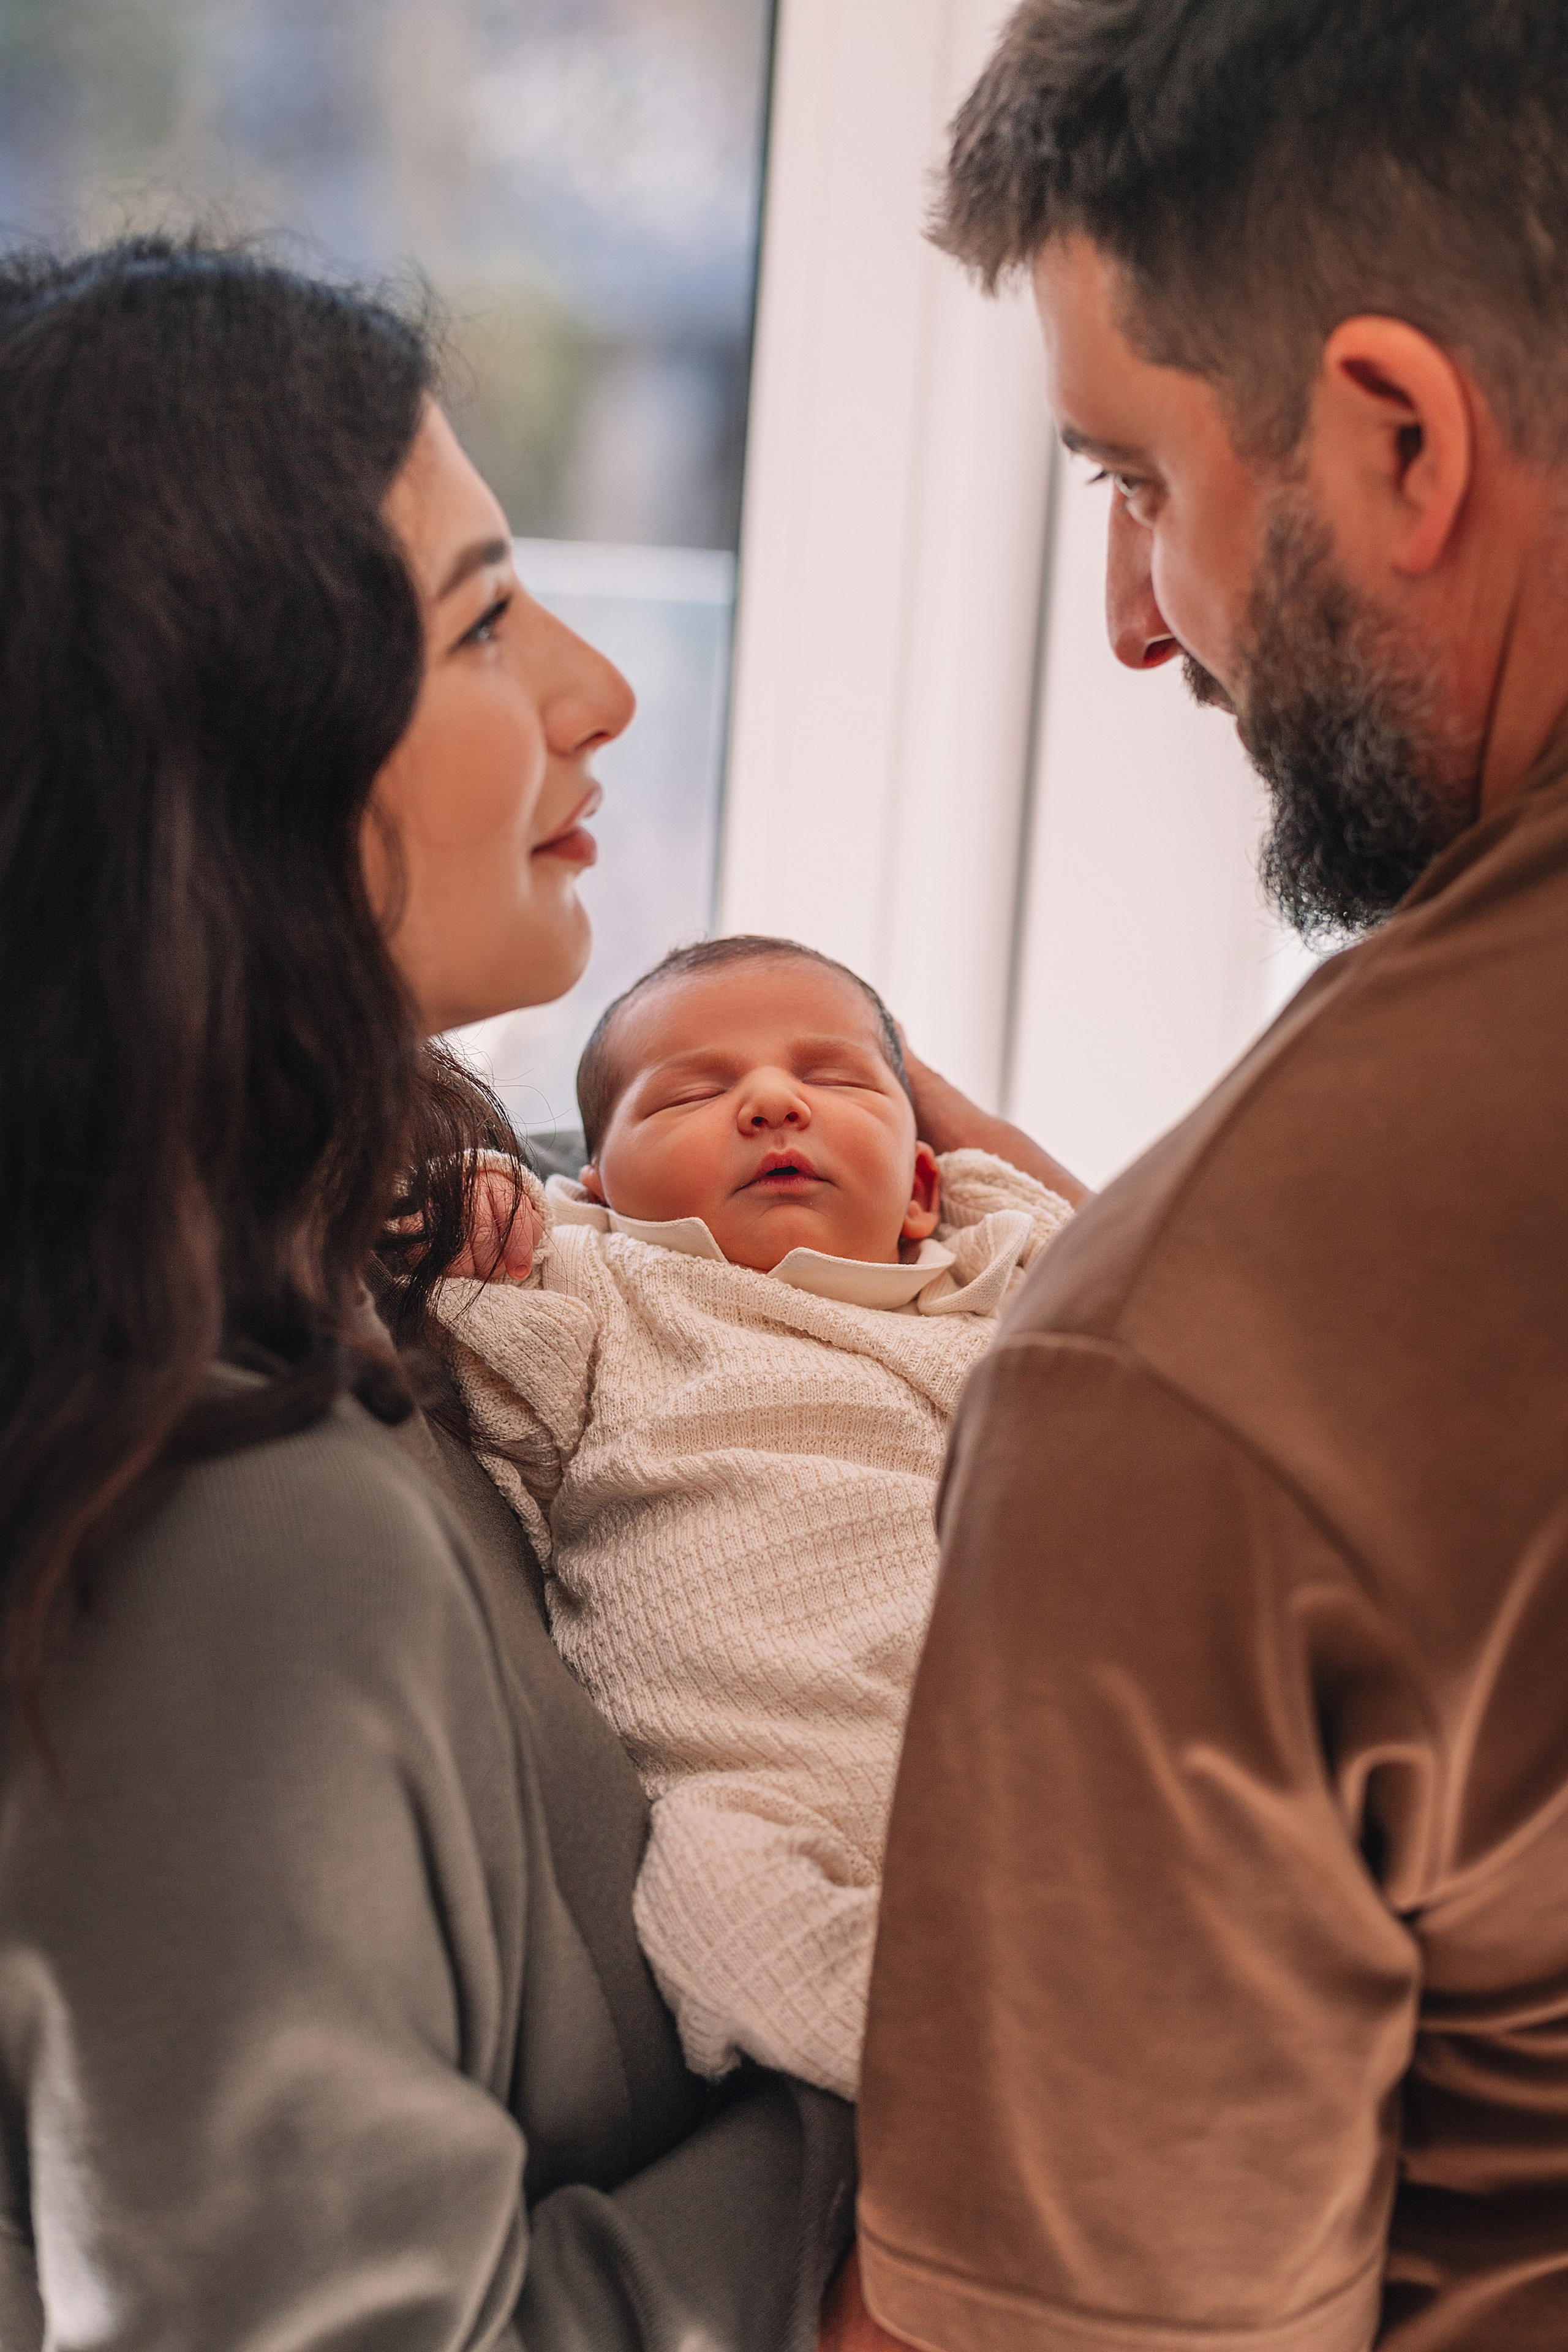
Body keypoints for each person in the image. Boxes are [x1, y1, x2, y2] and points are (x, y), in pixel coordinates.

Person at [0, 237, 856, 2348]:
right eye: (484, 617)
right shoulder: (239, 1525)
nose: (600, 685)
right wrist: (886, 2163)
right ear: (237, 769)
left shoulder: (361, 1284)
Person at [847, 3, 1568, 2349]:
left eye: (1137, 483)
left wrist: (1163, 1364)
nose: (1140, 621)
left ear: (1395, 435)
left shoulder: (1192, 1382)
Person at [434, 934, 1074, 2104]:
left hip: (1052, 1777)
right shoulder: (607, 1287)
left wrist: (968, 1139)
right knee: (715, 1903)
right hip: (778, 1789)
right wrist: (467, 1195)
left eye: (834, 1080)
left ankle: (1079, 2048)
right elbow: (415, 1268)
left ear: (926, 1187)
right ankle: (989, 2087)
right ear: (598, 1189)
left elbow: (1163, 1282)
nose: (775, 1102)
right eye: (690, 1093)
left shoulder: (999, 1285)